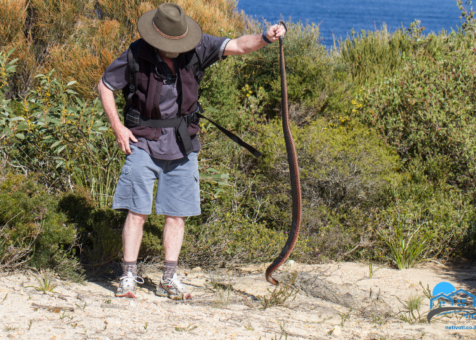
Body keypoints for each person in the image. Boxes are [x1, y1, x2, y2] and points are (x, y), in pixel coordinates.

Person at [97, 3, 286, 300]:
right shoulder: (135, 54)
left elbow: (237, 45)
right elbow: (105, 85)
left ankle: (168, 279)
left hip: (183, 144)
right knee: (137, 211)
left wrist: (265, 37)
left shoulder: (199, 46)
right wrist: (118, 127)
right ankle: (129, 277)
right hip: (142, 141)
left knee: (177, 214)